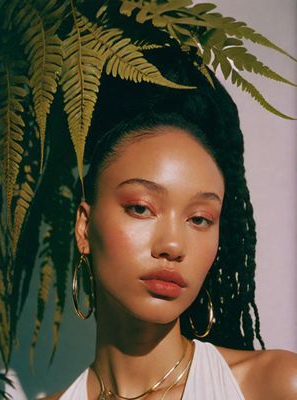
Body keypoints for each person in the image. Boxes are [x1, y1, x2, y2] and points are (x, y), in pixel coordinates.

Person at [43, 47, 297, 399]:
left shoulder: (275, 386)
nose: (173, 246)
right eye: (141, 208)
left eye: (199, 218)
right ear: (84, 227)